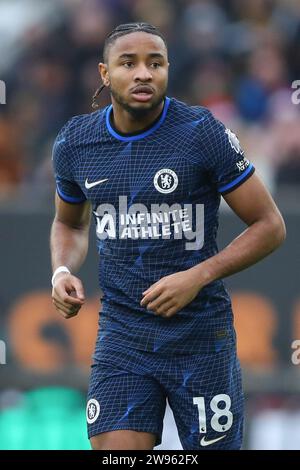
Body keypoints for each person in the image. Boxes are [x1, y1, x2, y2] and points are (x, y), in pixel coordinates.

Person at [50, 22, 286, 451]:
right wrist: (62, 269)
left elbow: (270, 225)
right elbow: (70, 223)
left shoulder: (202, 133)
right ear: (105, 74)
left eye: (155, 63)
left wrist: (197, 276)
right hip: (123, 335)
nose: (144, 73)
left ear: (167, 70)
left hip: (200, 337)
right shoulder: (76, 143)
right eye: (129, 63)